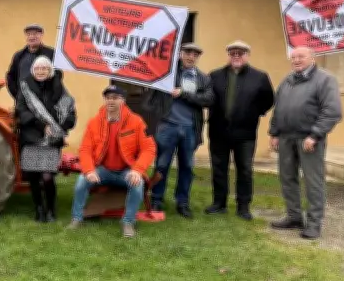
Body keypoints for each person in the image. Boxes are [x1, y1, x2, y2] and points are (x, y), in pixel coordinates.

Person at [268, 46, 342, 240]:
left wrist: (315, 135)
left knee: (313, 181)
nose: (296, 60)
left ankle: (314, 224)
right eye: (293, 57)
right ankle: (294, 217)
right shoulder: (287, 80)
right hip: (286, 138)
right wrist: (274, 132)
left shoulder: (325, 80)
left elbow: (332, 111)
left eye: (301, 56)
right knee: (287, 178)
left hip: (309, 139)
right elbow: (278, 108)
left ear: (312, 58)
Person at [67, 85, 155, 238]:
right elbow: (85, 149)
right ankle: (77, 218)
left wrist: (137, 170)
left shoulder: (136, 122)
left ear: (123, 100)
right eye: (108, 98)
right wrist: (89, 170)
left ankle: (128, 221)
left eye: (115, 98)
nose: (111, 101)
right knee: (82, 180)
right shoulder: (94, 122)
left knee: (138, 183)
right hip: (103, 170)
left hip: (126, 170)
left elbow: (149, 148)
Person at [206, 41, 274, 220]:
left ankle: (243, 206)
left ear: (247, 55)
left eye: (241, 52)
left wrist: (253, 113)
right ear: (228, 55)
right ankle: (219, 203)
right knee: (219, 169)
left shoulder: (259, 77)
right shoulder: (214, 75)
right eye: (232, 52)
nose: (236, 55)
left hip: (245, 134)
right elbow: (207, 97)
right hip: (219, 131)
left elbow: (268, 100)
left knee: (244, 170)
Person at [144, 42, 214, 218]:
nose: (191, 57)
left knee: (187, 167)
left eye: (195, 54)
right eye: (188, 53)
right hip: (168, 126)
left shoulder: (203, 78)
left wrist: (184, 94)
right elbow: (151, 86)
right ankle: (156, 199)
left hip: (190, 128)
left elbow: (208, 99)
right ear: (180, 54)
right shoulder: (168, 73)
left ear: (198, 58)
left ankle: (182, 202)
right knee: (161, 164)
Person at [16, 56, 75, 222]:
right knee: (34, 178)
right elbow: (21, 111)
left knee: (47, 177)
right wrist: (42, 126)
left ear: (50, 71)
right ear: (33, 70)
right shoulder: (25, 87)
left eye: (44, 69)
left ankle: (51, 210)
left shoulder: (58, 87)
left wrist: (61, 128)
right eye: (37, 69)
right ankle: (39, 209)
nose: (40, 71)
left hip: (51, 139)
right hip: (31, 137)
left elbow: (69, 112)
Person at [6, 24, 56, 101]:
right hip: (23, 102)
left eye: (35, 34)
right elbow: (11, 77)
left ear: (41, 35)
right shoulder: (19, 55)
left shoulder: (51, 54)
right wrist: (18, 96)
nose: (31, 37)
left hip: (45, 102)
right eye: (28, 34)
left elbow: (57, 76)